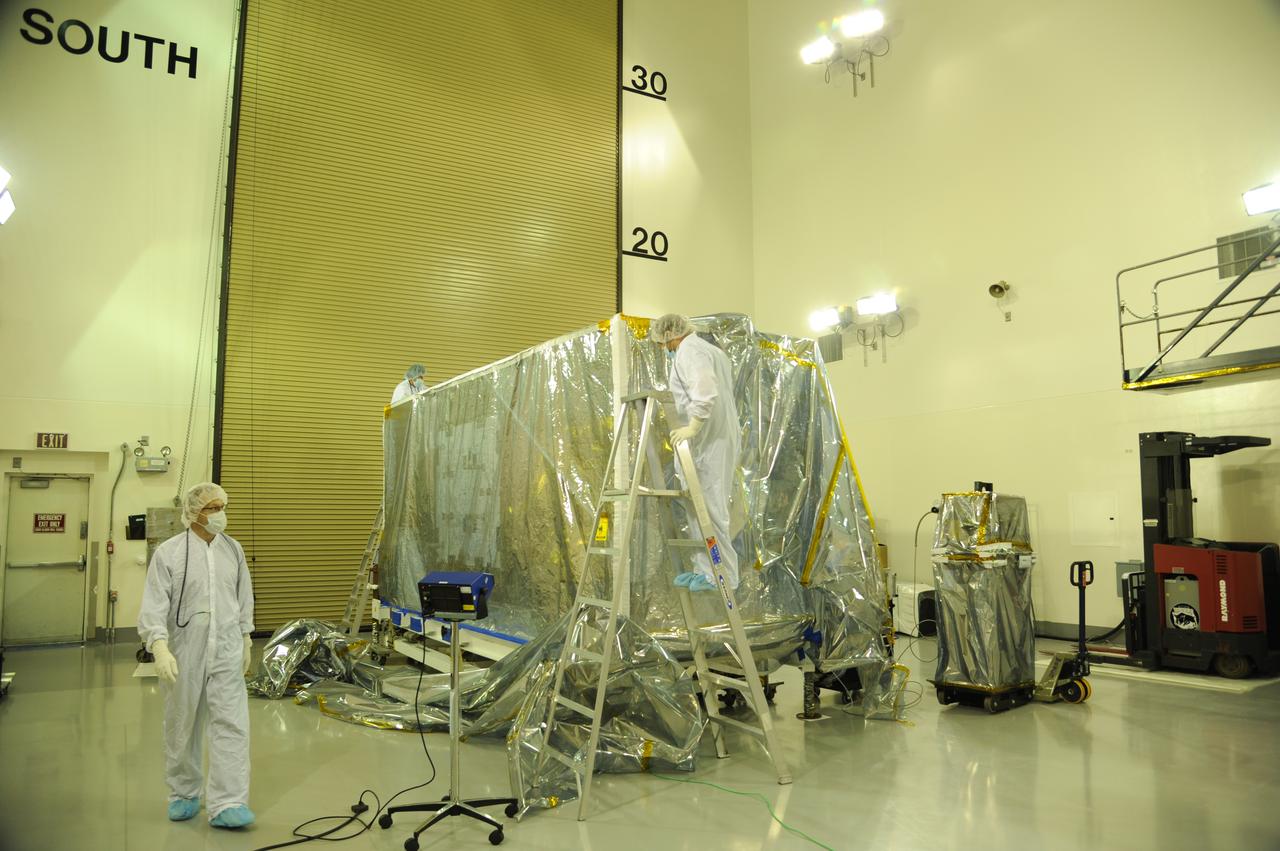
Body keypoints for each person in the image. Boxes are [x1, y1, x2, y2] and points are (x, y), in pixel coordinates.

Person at [138, 482, 255, 828]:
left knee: (232, 724)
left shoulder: (233, 549)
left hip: (227, 649)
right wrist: (159, 646)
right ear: (193, 512)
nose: (220, 514)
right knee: (183, 722)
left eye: (222, 507)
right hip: (184, 651)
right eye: (212, 508)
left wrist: (246, 637)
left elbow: (243, 596)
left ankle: (229, 802)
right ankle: (184, 792)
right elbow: (154, 604)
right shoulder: (170, 553)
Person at [650, 313, 741, 592]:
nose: (663, 348)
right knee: (698, 507)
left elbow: (705, 390)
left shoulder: (691, 351)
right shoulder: (709, 350)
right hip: (710, 439)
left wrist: (693, 426)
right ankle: (705, 569)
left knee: (711, 510)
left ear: (669, 335)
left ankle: (724, 576)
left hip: (710, 441)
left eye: (662, 343)